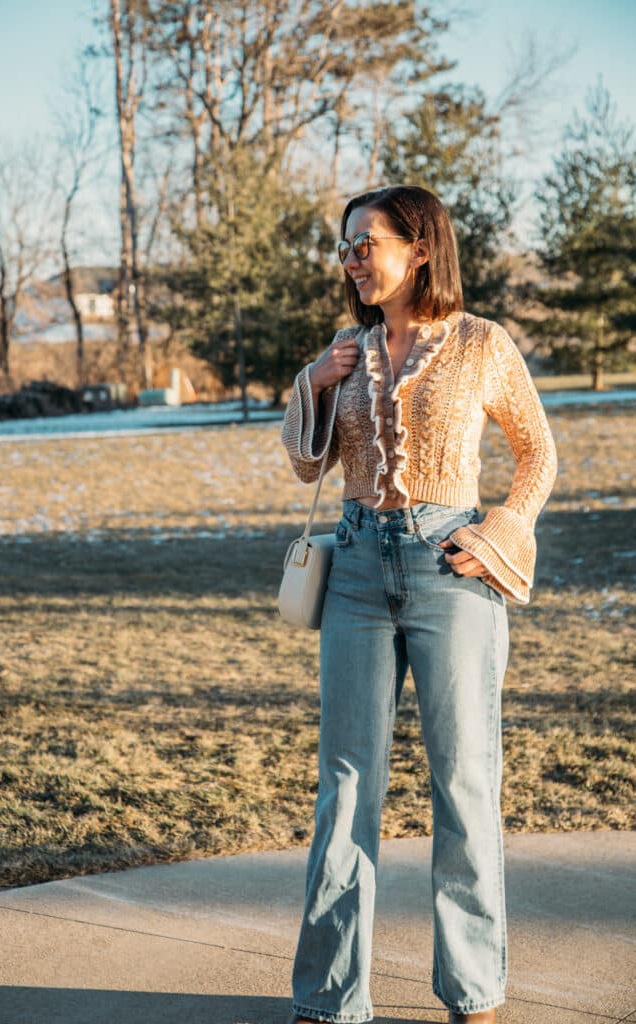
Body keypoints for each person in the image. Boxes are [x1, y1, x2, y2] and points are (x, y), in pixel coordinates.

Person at [280, 185, 558, 1024]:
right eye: (345, 247)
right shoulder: (347, 346)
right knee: (345, 786)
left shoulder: (481, 343)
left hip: (451, 571)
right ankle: (330, 999)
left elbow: (538, 454)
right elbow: (304, 465)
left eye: (366, 242)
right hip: (357, 566)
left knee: (463, 783)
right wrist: (313, 381)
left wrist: (499, 528)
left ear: (420, 247)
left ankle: (474, 996)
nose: (352, 259)